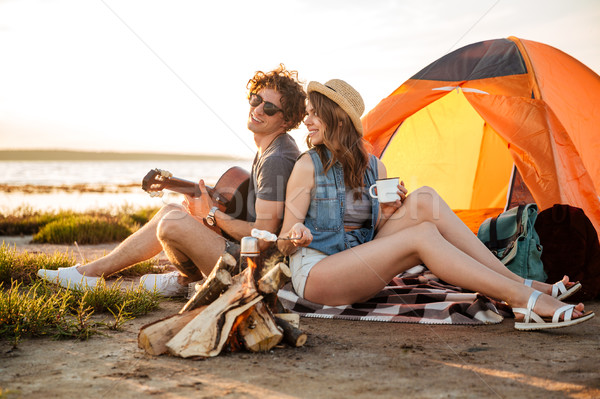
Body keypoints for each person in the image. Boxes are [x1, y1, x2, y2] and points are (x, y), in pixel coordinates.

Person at [277, 78, 594, 330]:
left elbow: (370, 238)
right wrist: (296, 236)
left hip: (357, 269)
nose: (307, 120)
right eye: (308, 112)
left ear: (339, 120)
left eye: (314, 112)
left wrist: (386, 214)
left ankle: (522, 284)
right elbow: (282, 242)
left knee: (425, 198)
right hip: (318, 275)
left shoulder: (375, 167)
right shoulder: (307, 166)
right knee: (422, 235)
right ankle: (523, 297)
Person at [38, 64, 307, 296]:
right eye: (255, 100)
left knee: (171, 223)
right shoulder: (271, 148)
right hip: (247, 254)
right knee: (172, 209)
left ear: (287, 120)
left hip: (257, 269)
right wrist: (199, 205)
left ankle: (188, 280)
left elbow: (264, 237)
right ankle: (90, 273)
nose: (257, 109)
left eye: (269, 107)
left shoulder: (276, 159)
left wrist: (211, 215)